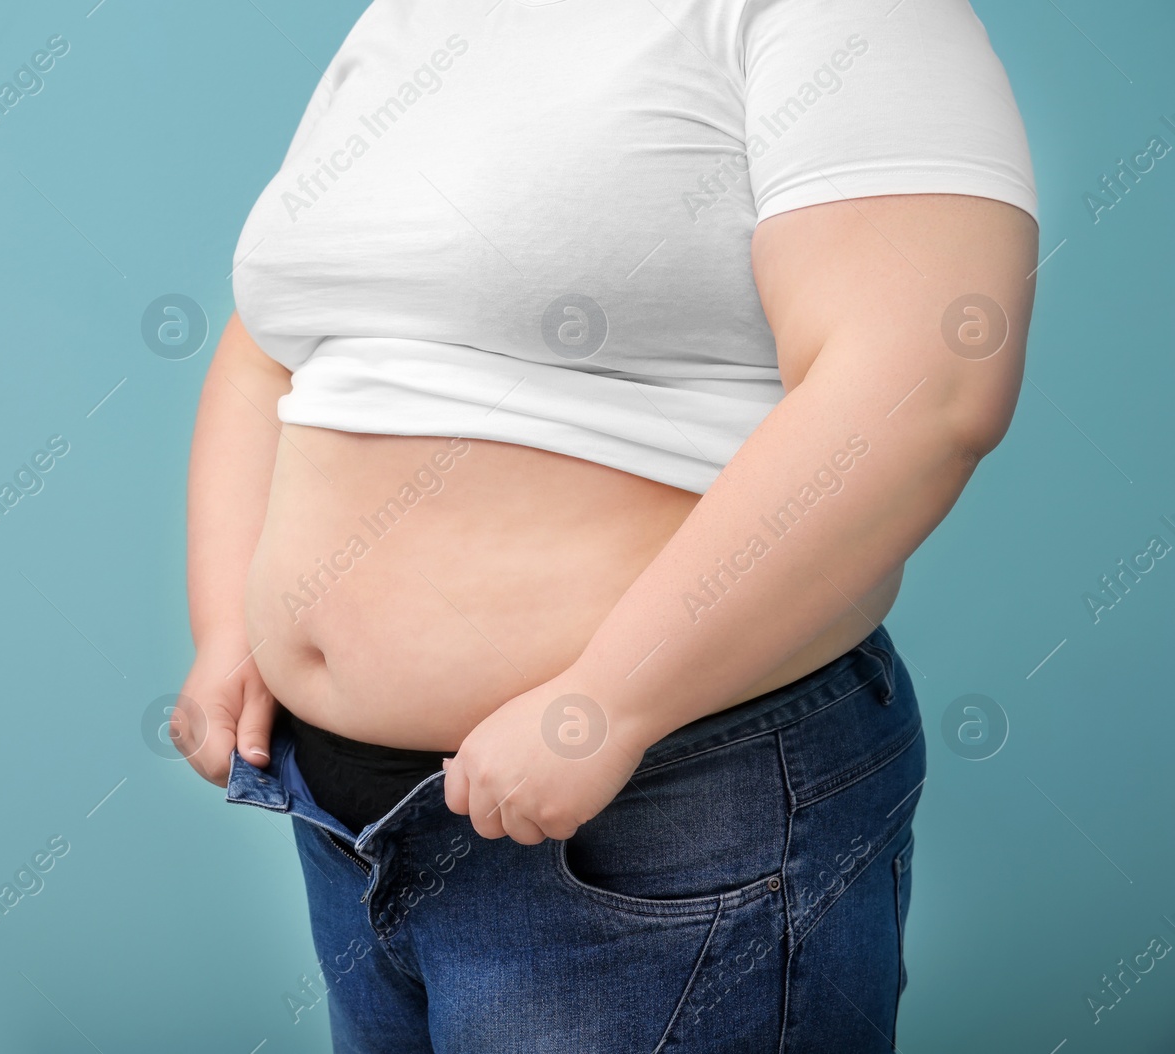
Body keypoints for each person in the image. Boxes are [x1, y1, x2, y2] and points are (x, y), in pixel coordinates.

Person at [179, 0, 1038, 1049]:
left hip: (658, 810)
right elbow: (276, 334)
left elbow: (924, 381)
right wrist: (233, 624)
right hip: (343, 821)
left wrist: (612, 698)